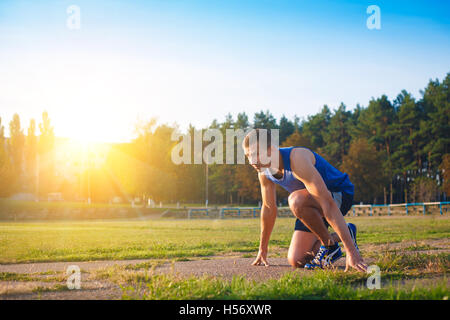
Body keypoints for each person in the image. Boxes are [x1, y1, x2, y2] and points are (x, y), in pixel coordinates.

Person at [242, 129, 367, 272]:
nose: (252, 161)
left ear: (270, 149)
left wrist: (351, 251)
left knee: (295, 200)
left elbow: (327, 203)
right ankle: (341, 236)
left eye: (256, 154)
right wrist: (262, 249)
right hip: (309, 204)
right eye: (248, 156)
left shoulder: (297, 158)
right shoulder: (264, 171)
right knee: (298, 259)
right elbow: (269, 208)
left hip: (338, 193)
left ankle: (331, 246)